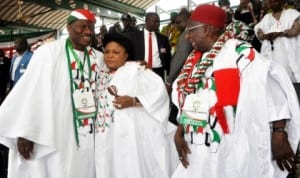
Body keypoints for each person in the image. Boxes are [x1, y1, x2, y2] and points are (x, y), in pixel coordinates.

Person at [171, 4, 300, 178]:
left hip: (231, 145)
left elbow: (271, 90)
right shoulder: (194, 60)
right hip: (200, 145)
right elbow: (193, 97)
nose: (187, 36)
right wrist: (180, 130)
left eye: (191, 30)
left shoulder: (240, 53)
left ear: (207, 29)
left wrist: (279, 133)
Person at [0, 9, 105, 178]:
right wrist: (26, 132)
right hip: (57, 131)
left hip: (88, 130)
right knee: (59, 168)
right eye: (82, 26)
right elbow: (31, 92)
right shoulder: (49, 52)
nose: (88, 31)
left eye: (91, 28)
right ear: (69, 27)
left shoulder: (98, 58)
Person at [95, 32, 177, 178]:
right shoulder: (101, 74)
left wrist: (134, 101)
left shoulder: (136, 70)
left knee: (130, 167)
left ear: (126, 55)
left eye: (116, 52)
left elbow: (159, 93)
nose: (110, 56)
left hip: (131, 135)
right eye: (106, 52)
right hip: (107, 133)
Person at [254, 0, 300, 84]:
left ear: (282, 2)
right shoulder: (267, 18)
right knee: (276, 81)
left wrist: (281, 33)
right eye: (270, 2)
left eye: (274, 1)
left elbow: (296, 29)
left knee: (290, 80)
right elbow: (258, 31)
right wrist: (265, 36)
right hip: (273, 56)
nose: (272, 4)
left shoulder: (291, 13)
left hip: (289, 54)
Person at [125, 12, 171, 80]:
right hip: (140, 71)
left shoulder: (163, 39)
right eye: (155, 21)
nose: (158, 24)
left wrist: (168, 72)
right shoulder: (134, 37)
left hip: (158, 72)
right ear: (147, 21)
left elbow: (168, 57)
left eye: (158, 22)